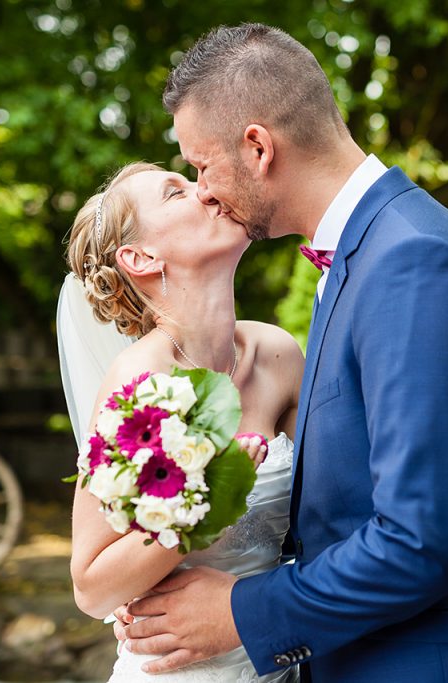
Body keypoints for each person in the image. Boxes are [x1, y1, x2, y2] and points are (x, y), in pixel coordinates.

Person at [119, 23, 448, 682]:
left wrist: (242, 611)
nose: (205, 191)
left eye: (201, 166)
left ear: (257, 147)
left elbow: (418, 542)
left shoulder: (413, 262)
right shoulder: (367, 252)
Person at [56, 160, 304, 682]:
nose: (206, 189)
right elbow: (92, 587)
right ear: (141, 257)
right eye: (176, 192)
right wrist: (206, 503)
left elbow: (329, 517)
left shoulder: (277, 354)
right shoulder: (137, 385)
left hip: (277, 655)